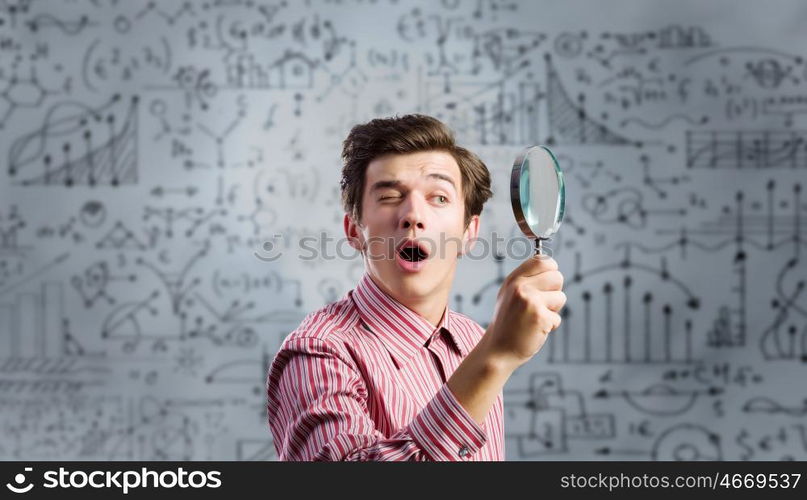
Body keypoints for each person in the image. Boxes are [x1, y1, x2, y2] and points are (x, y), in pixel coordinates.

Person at [266, 114, 567, 461]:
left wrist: (489, 351)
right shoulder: (317, 353)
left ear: (469, 232)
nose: (412, 214)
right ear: (354, 231)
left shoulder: (471, 339)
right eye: (390, 196)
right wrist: (495, 358)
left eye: (439, 197)